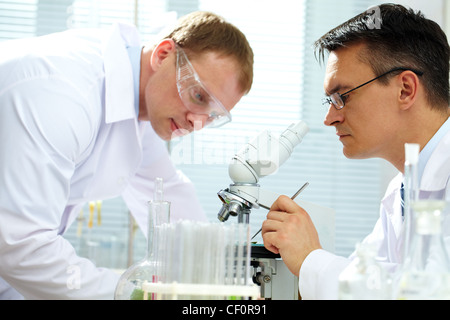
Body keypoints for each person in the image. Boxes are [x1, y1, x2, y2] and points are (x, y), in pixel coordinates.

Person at [0, 11, 253, 299]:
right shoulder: (65, 94)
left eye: (212, 115)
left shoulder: (141, 109)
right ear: (164, 54)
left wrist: (218, 281)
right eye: (198, 96)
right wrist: (135, 292)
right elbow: (19, 243)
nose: (197, 122)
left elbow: (169, 191)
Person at [261, 3, 450, 299]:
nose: (330, 118)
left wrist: (310, 258)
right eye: (330, 101)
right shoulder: (402, 188)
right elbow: (372, 283)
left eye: (343, 96)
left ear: (405, 90)